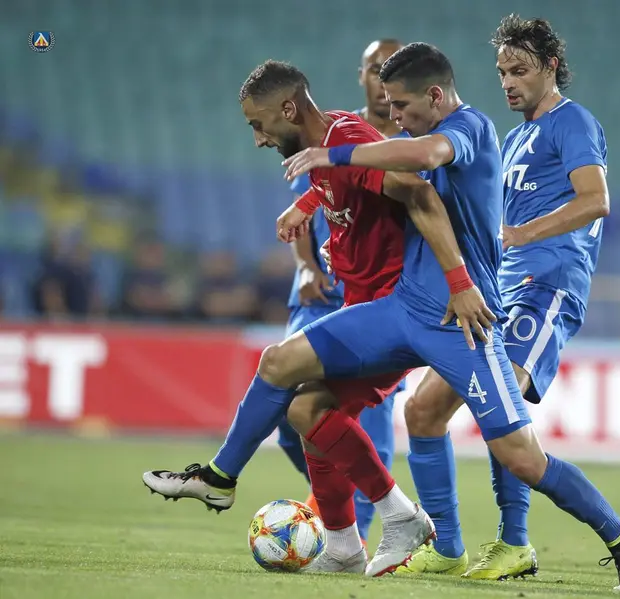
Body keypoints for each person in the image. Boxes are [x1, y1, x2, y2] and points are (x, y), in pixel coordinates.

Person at [284, 37, 620, 591]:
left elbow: (595, 200)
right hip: (494, 292)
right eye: (502, 71)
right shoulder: (517, 135)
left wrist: (520, 234)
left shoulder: (570, 122)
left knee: (513, 440)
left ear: (551, 66)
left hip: (546, 286)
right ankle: (449, 548)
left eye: (520, 70)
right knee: (423, 412)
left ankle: (572, 539)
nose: (508, 82)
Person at [143, 58, 494, 577]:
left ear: (288, 109)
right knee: (307, 413)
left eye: (259, 124)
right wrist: (308, 203)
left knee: (277, 363)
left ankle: (219, 477)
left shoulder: (345, 138)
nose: (258, 139)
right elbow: (348, 178)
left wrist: (459, 282)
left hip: (395, 309)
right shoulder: (328, 141)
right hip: (365, 305)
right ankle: (349, 545)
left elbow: (417, 190)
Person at [276, 38, 405, 546]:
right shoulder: (331, 135)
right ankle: (337, 506)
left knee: (371, 418)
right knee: (292, 413)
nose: (382, 78)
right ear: (362, 75)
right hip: (324, 296)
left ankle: (357, 532)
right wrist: (307, 268)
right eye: (375, 68)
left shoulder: (417, 140)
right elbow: (309, 206)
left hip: (379, 299)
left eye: (391, 69)